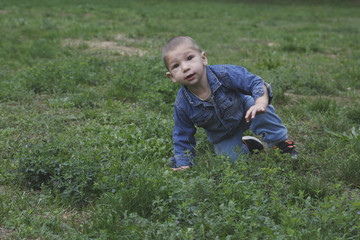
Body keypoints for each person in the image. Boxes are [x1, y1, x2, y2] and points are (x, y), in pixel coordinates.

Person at [162, 36, 297, 172]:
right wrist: (184, 163)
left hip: (245, 111)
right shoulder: (182, 105)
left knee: (261, 108)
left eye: (189, 58)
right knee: (232, 163)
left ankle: (280, 143)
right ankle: (247, 145)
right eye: (176, 66)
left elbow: (255, 83)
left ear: (203, 58)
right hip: (222, 134)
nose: (185, 67)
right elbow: (182, 135)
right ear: (172, 76)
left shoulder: (224, 74)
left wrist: (260, 102)